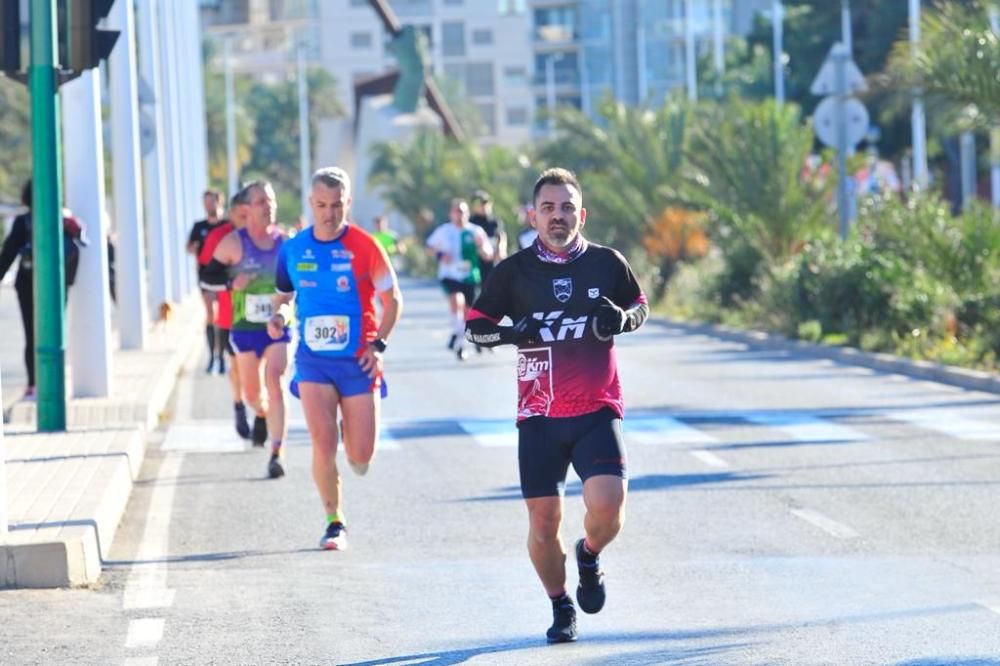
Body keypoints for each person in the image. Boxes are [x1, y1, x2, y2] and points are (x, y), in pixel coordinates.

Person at [465, 167, 649, 644]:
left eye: (567, 207)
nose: (558, 216)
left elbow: (640, 304)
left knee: (607, 506)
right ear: (533, 216)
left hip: (596, 408)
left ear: (581, 214)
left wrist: (625, 319)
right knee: (543, 524)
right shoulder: (514, 271)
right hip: (540, 416)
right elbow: (475, 326)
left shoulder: (607, 263)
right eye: (548, 208)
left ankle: (588, 554)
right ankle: (560, 603)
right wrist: (510, 333)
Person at [269, 167, 402, 551]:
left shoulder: (365, 246)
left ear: (348, 203)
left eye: (337, 205)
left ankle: (353, 433)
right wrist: (280, 318)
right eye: (322, 205)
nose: (329, 213)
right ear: (311, 204)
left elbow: (393, 301)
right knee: (322, 441)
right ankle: (334, 521)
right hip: (314, 361)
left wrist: (378, 347)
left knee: (361, 456)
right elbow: (285, 299)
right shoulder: (293, 250)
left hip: (358, 361)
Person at [212, 180, 290, 478]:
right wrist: (232, 282)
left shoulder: (286, 244)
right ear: (246, 209)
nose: (268, 206)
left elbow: (299, 284)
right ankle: (260, 412)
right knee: (253, 395)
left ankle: (277, 452)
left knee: (275, 378)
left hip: (278, 326)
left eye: (271, 201)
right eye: (261, 202)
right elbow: (208, 276)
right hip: (245, 328)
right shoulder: (234, 243)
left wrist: (285, 305)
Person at [0, 180, 87, 400]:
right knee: (55, 332)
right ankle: (55, 381)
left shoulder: (24, 221)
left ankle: (34, 386)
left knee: (32, 334)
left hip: (27, 283)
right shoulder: (63, 219)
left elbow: (8, 253)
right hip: (58, 283)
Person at [198, 188, 253, 439]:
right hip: (232, 314)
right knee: (237, 366)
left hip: (265, 319)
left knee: (271, 370)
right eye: (241, 214)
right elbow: (207, 274)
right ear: (232, 213)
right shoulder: (220, 237)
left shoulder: (268, 237)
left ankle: (263, 415)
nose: (246, 218)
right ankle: (239, 404)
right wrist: (230, 284)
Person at [425, 198, 492, 361]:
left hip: (470, 277)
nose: (460, 215)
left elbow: (488, 254)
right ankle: (460, 344)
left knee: (468, 313)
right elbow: (429, 247)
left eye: (463, 211)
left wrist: (482, 248)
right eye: (457, 211)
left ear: (467, 213)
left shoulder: (476, 231)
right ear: (451, 214)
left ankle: (458, 336)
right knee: (457, 300)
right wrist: (440, 254)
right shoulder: (444, 230)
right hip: (449, 275)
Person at [188, 189, 227, 373]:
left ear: (219, 202)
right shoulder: (199, 226)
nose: (208, 206)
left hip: (226, 276)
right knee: (211, 314)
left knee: (224, 316)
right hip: (206, 276)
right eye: (205, 202)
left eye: (211, 202)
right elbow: (188, 247)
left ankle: (223, 356)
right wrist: (194, 247)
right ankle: (212, 356)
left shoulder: (227, 224)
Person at [468, 189, 507, 285]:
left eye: (486, 202)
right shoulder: (471, 222)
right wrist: (481, 250)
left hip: (493, 260)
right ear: (474, 205)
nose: (485, 206)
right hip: (476, 262)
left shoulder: (495, 221)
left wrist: (501, 250)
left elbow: (501, 236)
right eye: (481, 203)